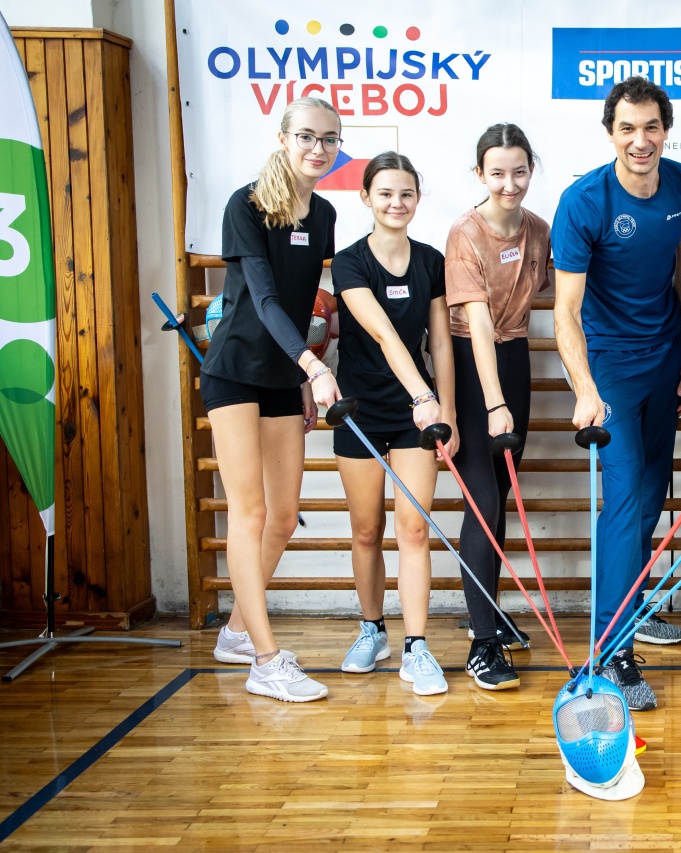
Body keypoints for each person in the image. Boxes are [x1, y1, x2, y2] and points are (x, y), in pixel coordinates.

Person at [552, 76, 681, 711]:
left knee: (648, 500)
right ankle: (611, 652)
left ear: (666, 130)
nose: (640, 141)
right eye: (627, 129)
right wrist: (585, 389)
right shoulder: (583, 201)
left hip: (666, 359)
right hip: (610, 368)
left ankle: (632, 611)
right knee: (622, 502)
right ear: (610, 133)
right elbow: (565, 311)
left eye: (651, 128)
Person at [205, 97, 341, 702]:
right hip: (235, 371)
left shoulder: (327, 213)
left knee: (283, 518)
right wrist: (312, 365)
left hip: (285, 376)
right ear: (284, 138)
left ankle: (237, 631)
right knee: (250, 513)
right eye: (307, 136)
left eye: (329, 139)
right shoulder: (248, 205)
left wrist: (304, 371)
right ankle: (264, 660)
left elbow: (304, 302)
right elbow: (262, 299)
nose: (318, 148)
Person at [330, 152, 458, 697]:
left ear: (418, 199)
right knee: (366, 530)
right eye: (385, 193)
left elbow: (441, 343)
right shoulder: (349, 262)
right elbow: (382, 333)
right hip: (359, 410)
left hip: (416, 417)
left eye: (406, 193)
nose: (396, 203)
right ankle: (372, 630)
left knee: (414, 530)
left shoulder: (430, 261)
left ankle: (416, 646)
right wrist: (424, 395)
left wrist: (446, 411)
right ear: (366, 197)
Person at [445, 123, 550, 691]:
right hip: (471, 366)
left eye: (519, 172)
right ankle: (481, 643)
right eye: (497, 173)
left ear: (531, 170)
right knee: (482, 503)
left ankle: (488, 612)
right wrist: (493, 403)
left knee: (500, 494)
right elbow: (478, 324)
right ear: (479, 173)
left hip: (515, 359)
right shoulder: (465, 232)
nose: (509, 184)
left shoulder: (538, 229)